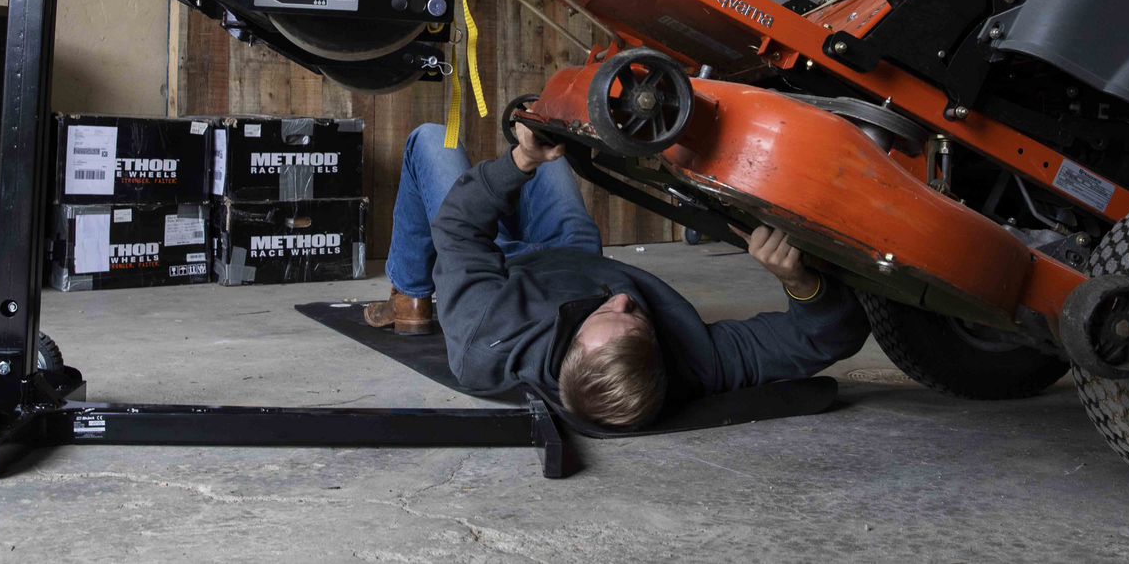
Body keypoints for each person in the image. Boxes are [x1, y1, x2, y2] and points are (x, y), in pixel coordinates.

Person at [363, 121, 871, 429]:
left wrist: (519, 160)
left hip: (498, 262)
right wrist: (802, 283)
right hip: (576, 254)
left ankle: (409, 295)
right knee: (557, 148)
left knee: (431, 141)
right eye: (636, 319)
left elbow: (458, 228)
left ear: (569, 354)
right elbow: (818, 343)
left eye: (607, 316)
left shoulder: (487, 332)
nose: (624, 301)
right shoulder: (690, 362)